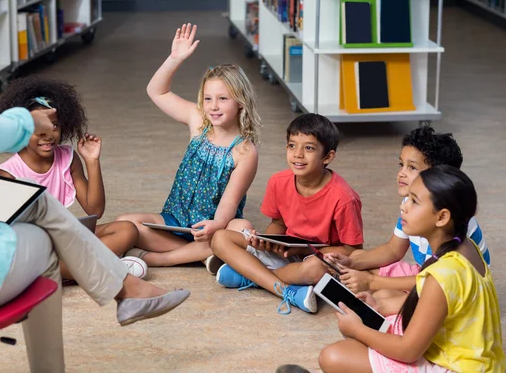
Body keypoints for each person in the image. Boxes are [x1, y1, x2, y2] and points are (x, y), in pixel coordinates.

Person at [0, 0, 189, 372]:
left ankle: (127, 290)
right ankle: (122, 293)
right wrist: (33, 118)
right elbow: (13, 128)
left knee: (37, 212)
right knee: (43, 238)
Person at [318, 165, 505, 373]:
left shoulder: (441, 275)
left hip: (457, 367)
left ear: (442, 217)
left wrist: (357, 330)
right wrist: (378, 306)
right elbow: (438, 306)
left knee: (332, 357)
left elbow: (408, 351)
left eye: (414, 201)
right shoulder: (466, 248)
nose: (404, 207)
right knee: (382, 309)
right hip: (482, 364)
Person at [115, 23, 261, 274]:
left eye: (223, 99)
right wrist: (175, 58)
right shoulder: (198, 121)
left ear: (240, 102)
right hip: (174, 221)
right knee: (124, 223)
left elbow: (229, 203)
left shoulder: (245, 152)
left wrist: (216, 225)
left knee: (241, 228)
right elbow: (156, 91)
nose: (213, 106)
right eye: (208, 99)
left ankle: (162, 259)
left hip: (212, 228)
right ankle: (203, 257)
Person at [0, 77, 143, 281]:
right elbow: (2, 235)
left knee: (126, 230)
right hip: (34, 249)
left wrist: (92, 161)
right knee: (29, 260)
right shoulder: (9, 174)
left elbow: (95, 210)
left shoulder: (67, 158)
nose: (47, 135)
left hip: (64, 240)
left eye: (54, 126)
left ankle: (76, 271)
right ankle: (101, 267)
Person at [211, 114, 364, 314]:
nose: (298, 154)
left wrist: (302, 251)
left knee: (315, 269)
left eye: (309, 148)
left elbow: (352, 251)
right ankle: (285, 288)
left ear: (328, 156)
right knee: (220, 238)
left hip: (314, 260)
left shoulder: (343, 198)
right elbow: (278, 223)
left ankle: (251, 275)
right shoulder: (278, 181)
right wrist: (269, 241)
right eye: (292, 146)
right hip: (286, 253)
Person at [325, 126, 490, 294]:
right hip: (427, 275)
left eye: (412, 167)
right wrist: (352, 263)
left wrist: (372, 282)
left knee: (383, 296)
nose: (401, 173)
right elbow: (393, 249)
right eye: (401, 164)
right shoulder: (410, 204)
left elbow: (436, 282)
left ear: (439, 178)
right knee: (358, 264)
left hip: (452, 291)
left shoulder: (453, 221)